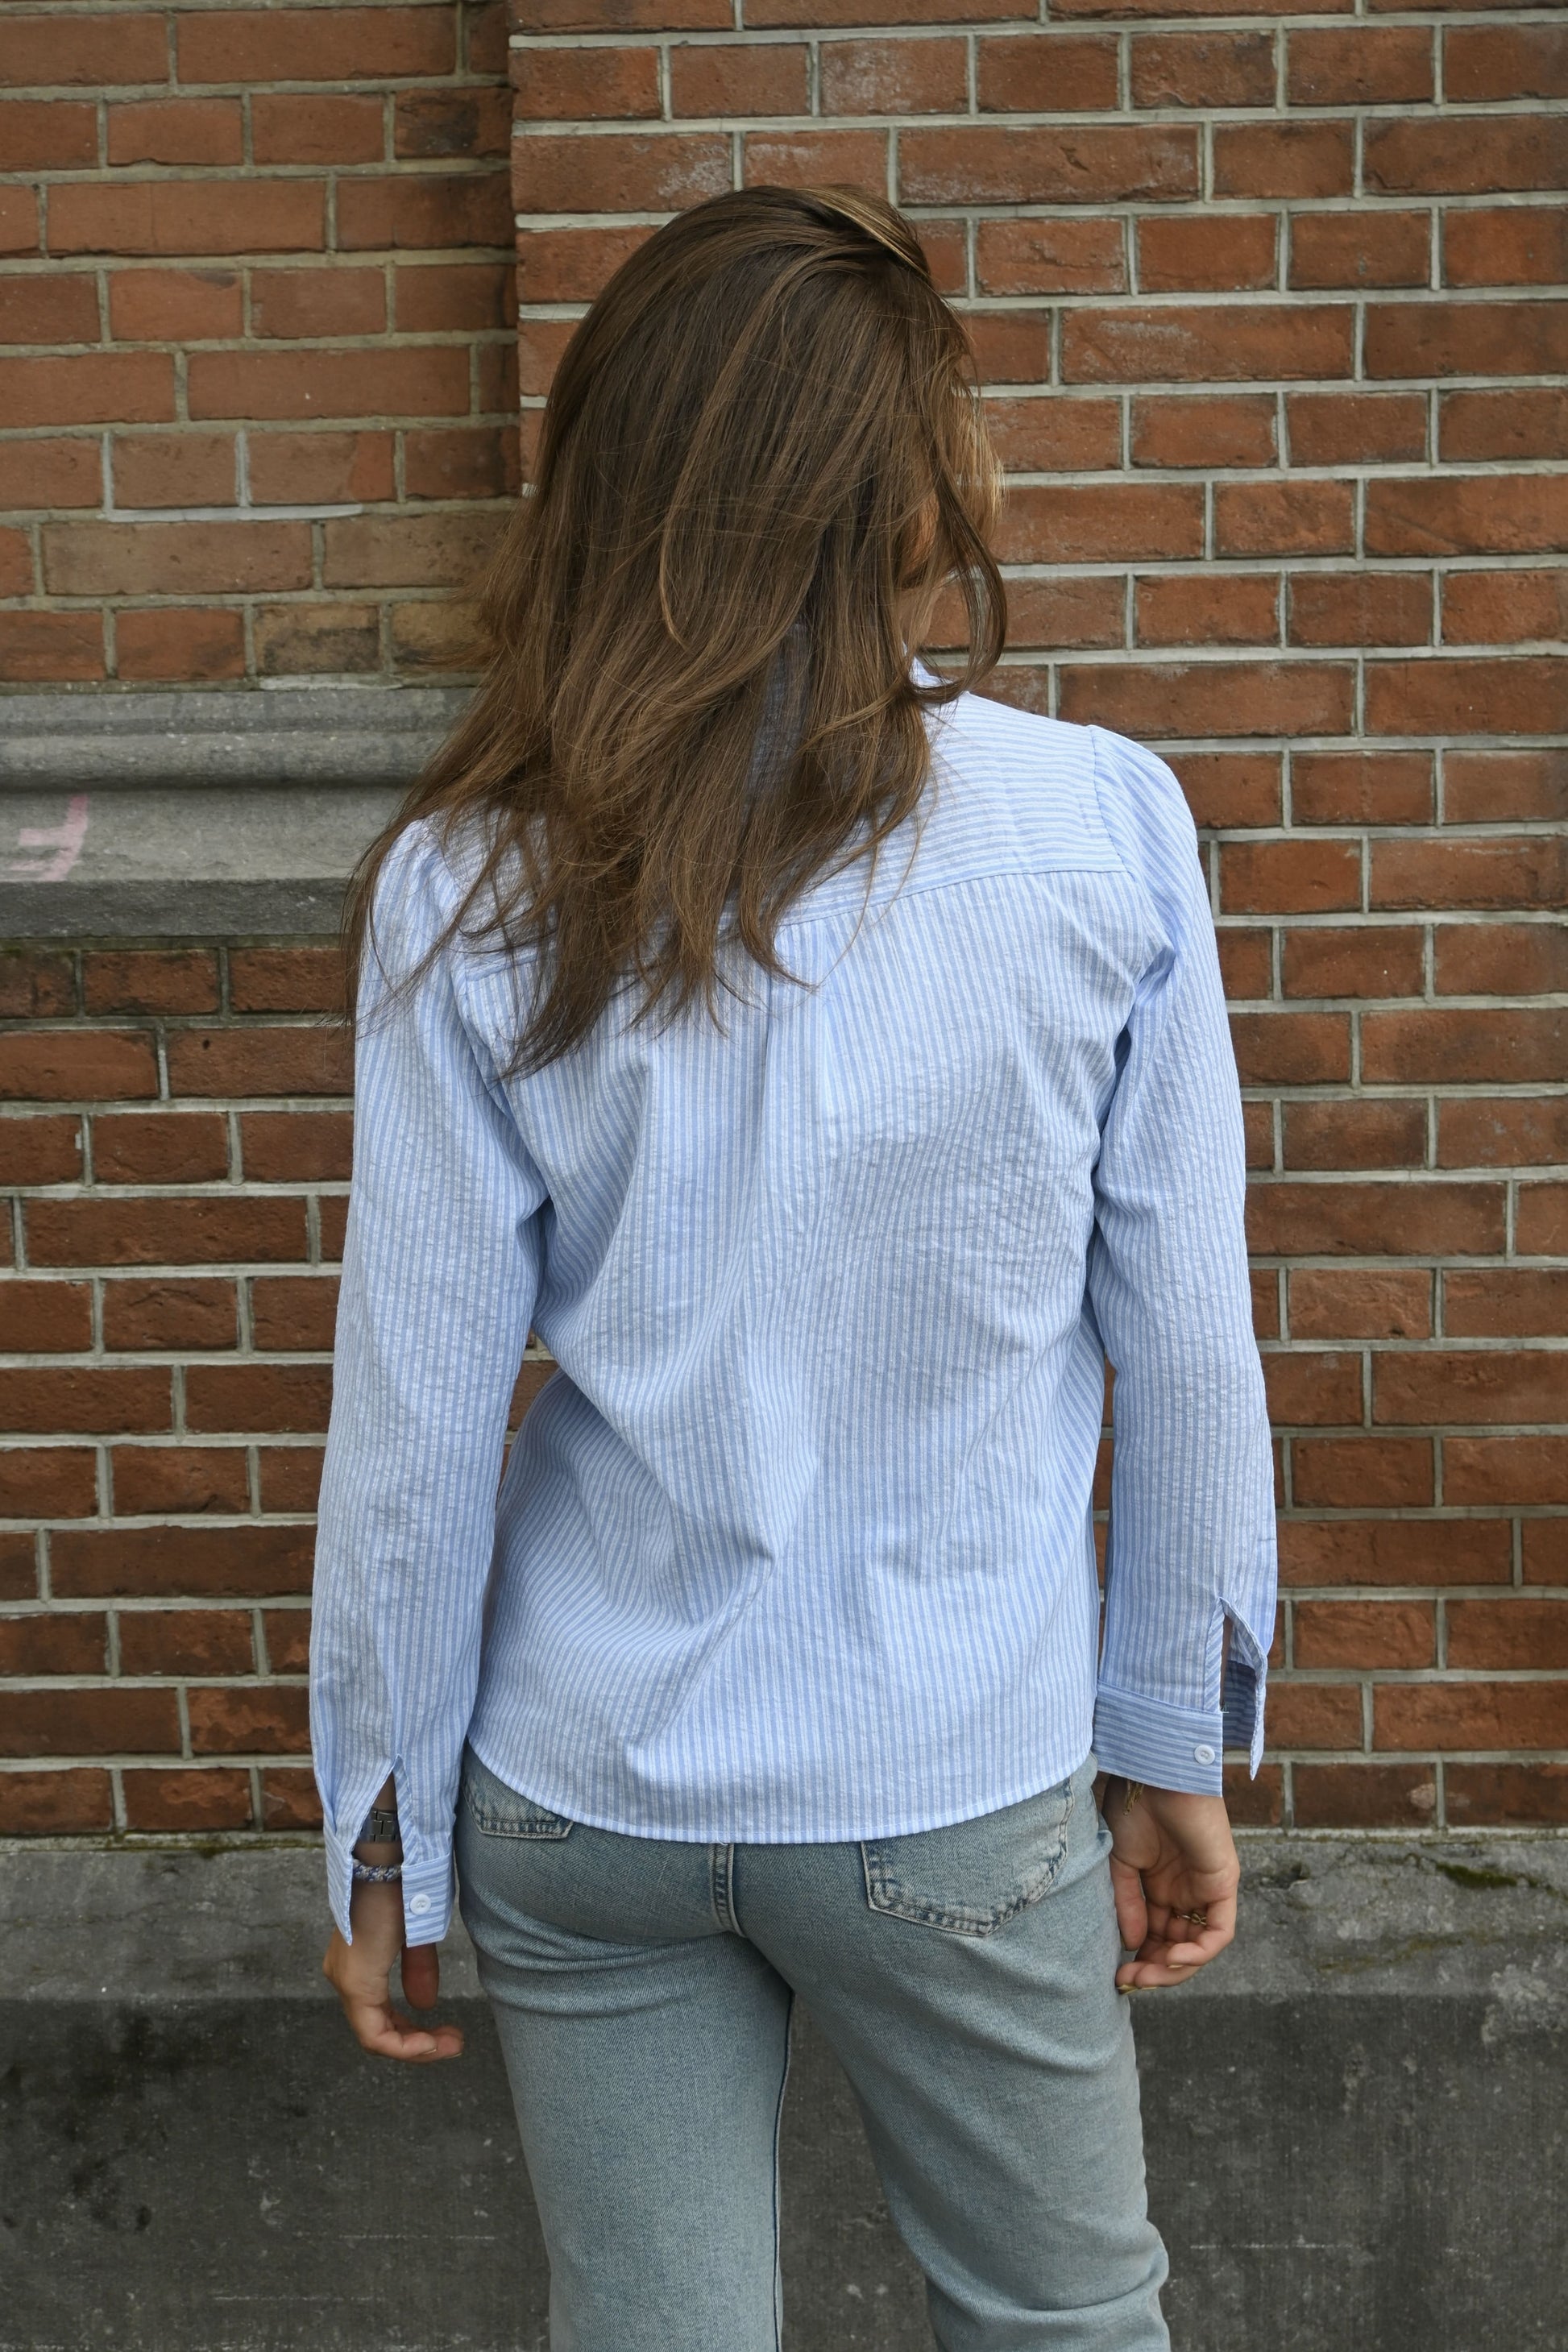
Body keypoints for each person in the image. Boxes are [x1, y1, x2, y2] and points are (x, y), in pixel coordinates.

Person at [309, 184, 1277, 2352]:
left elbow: (417, 1420)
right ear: (908, 490)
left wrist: (383, 1836)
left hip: (585, 1784)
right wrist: (1170, 1739)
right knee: (1058, 2324)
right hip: (948, 1775)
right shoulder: (1102, 827)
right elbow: (1189, 1348)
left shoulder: (473, 874)